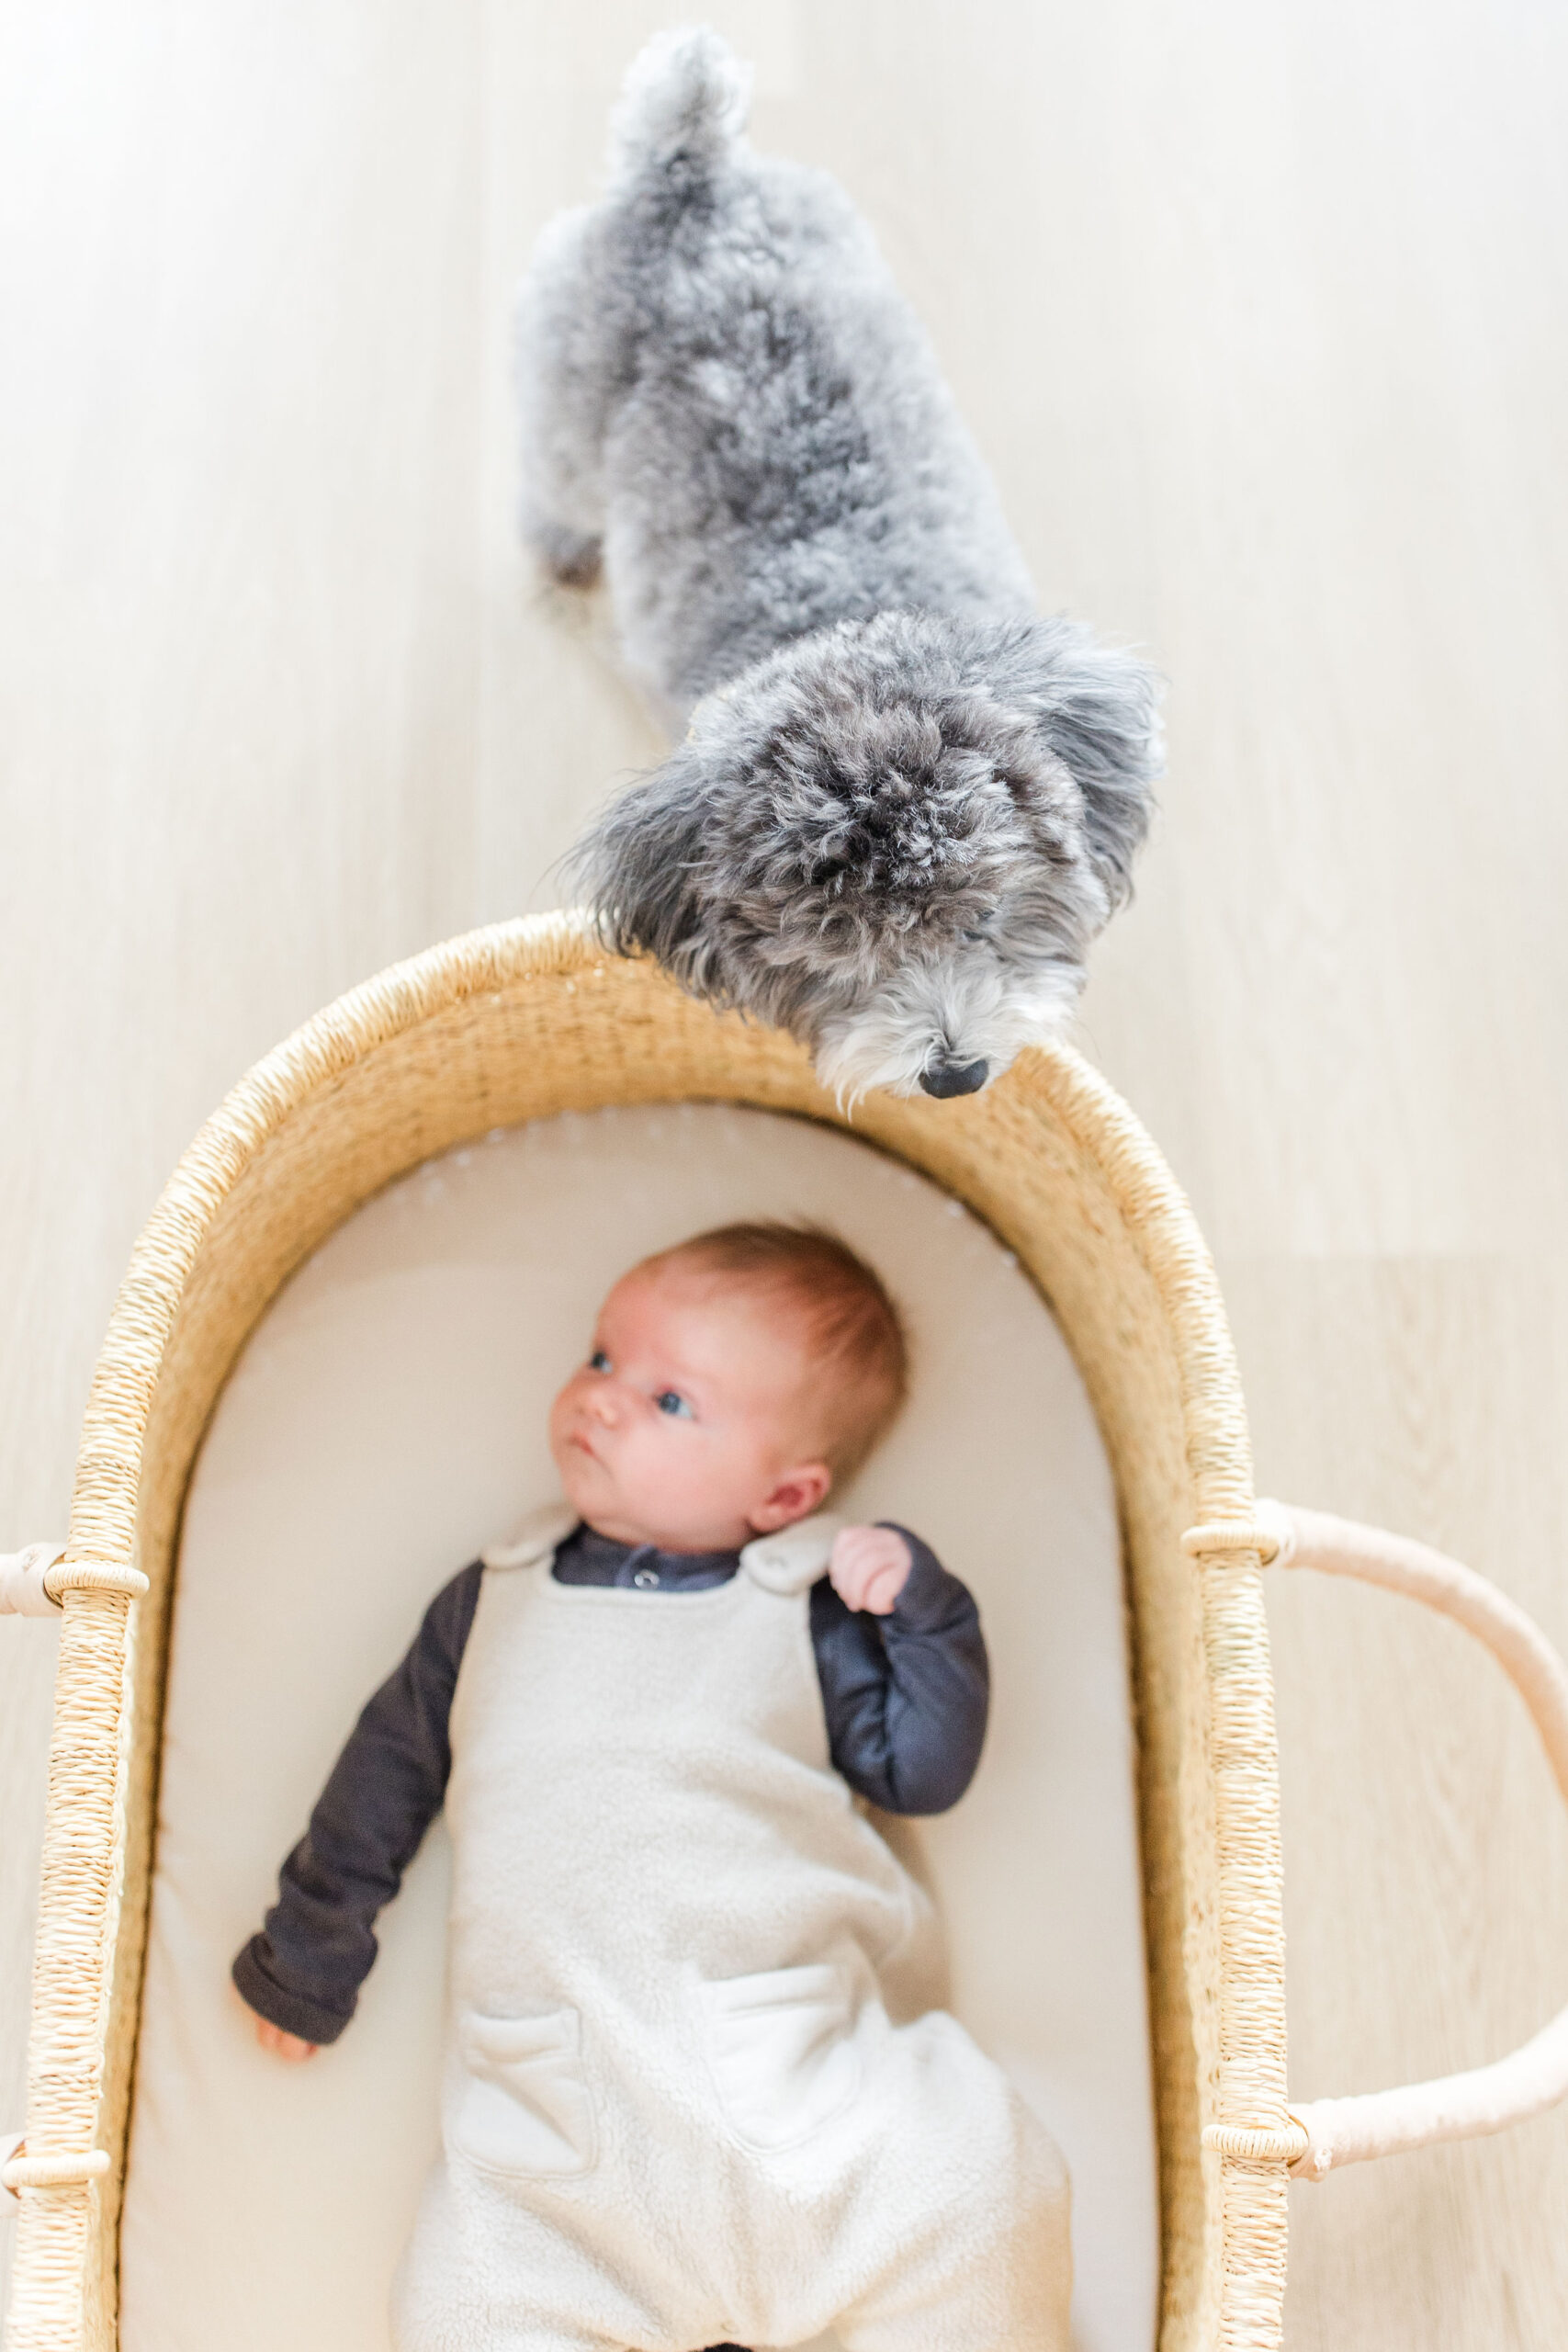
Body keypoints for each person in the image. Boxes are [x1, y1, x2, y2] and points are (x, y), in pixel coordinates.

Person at [234, 1222, 1070, 2352]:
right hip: (558, 2143)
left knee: (979, 2190)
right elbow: (386, 1770)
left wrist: (930, 1615)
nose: (605, 1398)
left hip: (796, 2090)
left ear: (786, 1494)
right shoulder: (493, 1599)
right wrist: (312, 1943)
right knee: (460, 2308)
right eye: (602, 1356)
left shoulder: (803, 1607)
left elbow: (922, 1771)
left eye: (671, 1400)